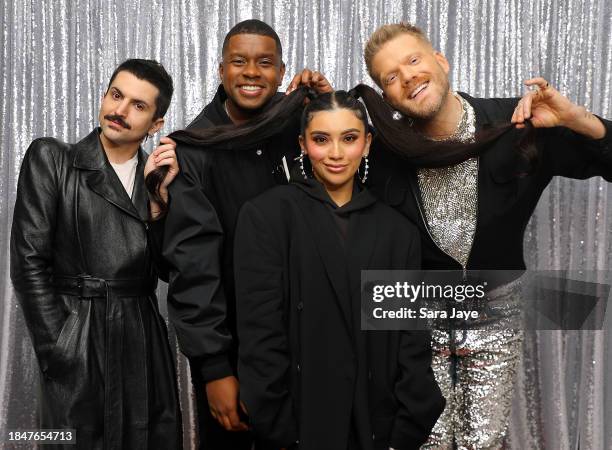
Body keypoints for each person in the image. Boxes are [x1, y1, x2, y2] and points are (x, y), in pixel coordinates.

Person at [359, 23, 612, 449]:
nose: (408, 77)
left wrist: (578, 119)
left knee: (485, 441)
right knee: (422, 440)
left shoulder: (517, 124)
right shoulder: (384, 152)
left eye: (414, 60)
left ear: (441, 61)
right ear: (387, 97)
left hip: (499, 315)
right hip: (417, 322)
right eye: (391, 77)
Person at [155, 19, 332, 450]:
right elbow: (192, 268)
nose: (252, 72)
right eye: (239, 61)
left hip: (307, 338)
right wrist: (215, 368)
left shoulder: (298, 131)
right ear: (220, 70)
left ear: (280, 71)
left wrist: (326, 103)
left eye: (264, 63)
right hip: (232, 348)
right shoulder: (194, 150)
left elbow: (348, 182)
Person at [233, 91, 445, 450]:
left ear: (366, 144)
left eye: (348, 139)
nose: (335, 153)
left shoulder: (396, 232)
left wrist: (404, 431)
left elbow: (411, 343)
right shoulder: (267, 217)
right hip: (299, 423)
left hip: (377, 424)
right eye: (321, 139)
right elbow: (260, 335)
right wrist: (279, 428)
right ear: (302, 144)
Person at [10, 59, 182, 450]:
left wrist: (157, 211)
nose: (119, 111)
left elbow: (170, 272)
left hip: (142, 338)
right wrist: (60, 347)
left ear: (156, 124)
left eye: (138, 105)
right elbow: (28, 263)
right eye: (116, 95)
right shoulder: (52, 159)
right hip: (77, 333)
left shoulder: (157, 180)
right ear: (104, 95)